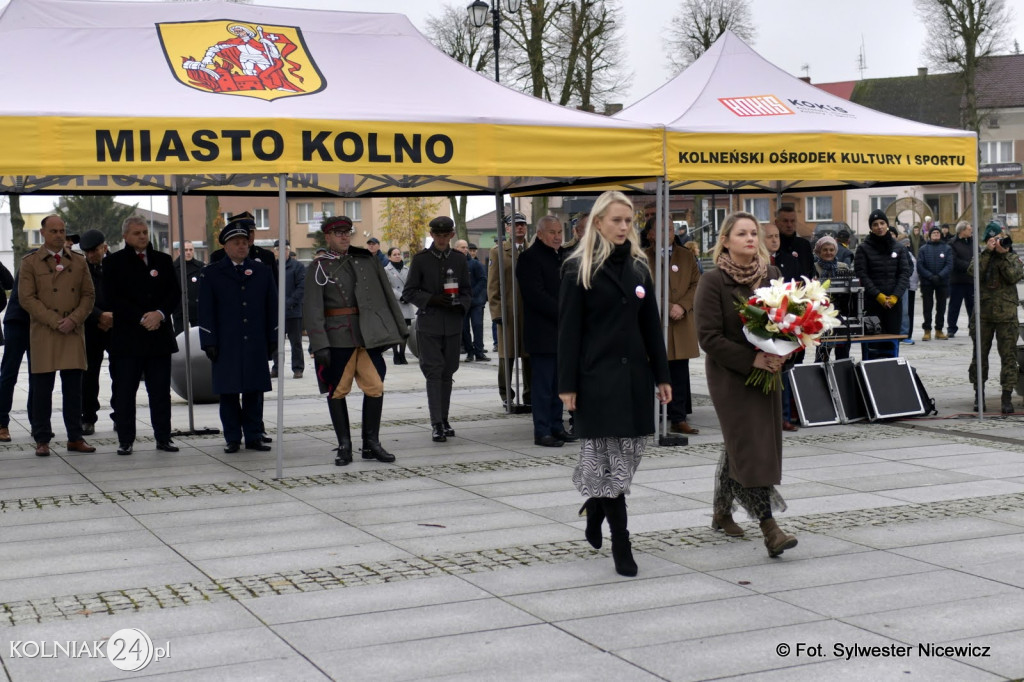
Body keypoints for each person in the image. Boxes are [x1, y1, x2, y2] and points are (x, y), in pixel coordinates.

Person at [558, 191, 671, 578]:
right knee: (610, 463)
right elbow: (568, 331)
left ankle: (595, 505)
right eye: (616, 220)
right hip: (597, 379)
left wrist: (663, 375)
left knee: (629, 456)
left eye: (628, 221)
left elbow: (651, 325)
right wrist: (567, 384)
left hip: (635, 378)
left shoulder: (639, 266)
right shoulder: (578, 267)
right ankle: (621, 543)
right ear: (598, 223)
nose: (624, 227)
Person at [695, 210, 798, 558]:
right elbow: (708, 337)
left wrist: (783, 353)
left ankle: (722, 511)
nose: (750, 238)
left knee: (743, 444)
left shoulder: (772, 275)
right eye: (741, 234)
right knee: (750, 447)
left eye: (753, 233)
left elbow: (788, 323)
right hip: (731, 377)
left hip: (768, 374)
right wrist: (751, 359)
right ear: (725, 240)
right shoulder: (712, 281)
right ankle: (770, 529)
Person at [304, 215, 407, 465]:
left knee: (375, 387)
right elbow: (312, 309)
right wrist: (320, 343)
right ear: (328, 237)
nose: (344, 237)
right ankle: (344, 446)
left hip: (366, 335)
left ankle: (371, 444)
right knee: (337, 391)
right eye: (338, 233)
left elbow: (384, 296)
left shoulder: (364, 260)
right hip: (337, 336)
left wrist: (394, 329)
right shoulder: (319, 266)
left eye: (347, 232)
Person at [103, 214, 181, 456]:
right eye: (137, 233)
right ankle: (126, 439)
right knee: (125, 392)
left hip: (158, 337)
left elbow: (174, 293)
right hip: (129, 338)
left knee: (160, 392)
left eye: (145, 232)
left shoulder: (163, 260)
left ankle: (163, 437)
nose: (142, 237)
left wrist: (159, 314)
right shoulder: (114, 262)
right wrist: (141, 317)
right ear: (125, 236)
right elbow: (112, 298)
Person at [18, 215, 96, 456]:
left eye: (62, 231)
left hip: (72, 331)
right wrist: (54, 320)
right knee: (42, 390)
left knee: (73, 390)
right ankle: (42, 439)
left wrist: (74, 319)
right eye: (54, 231)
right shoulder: (30, 262)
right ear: (42, 233)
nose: (59, 235)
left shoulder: (79, 261)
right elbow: (26, 298)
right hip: (45, 331)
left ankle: (75, 437)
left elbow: (88, 295)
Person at [200, 221, 277, 452]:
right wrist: (209, 341)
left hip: (255, 341)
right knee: (229, 392)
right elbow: (206, 311)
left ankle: (254, 435)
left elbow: (272, 306)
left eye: (244, 242)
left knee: (254, 391)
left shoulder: (262, 271)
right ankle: (232, 437)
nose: (242, 246)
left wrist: (273, 337)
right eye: (236, 243)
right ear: (226, 247)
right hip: (226, 343)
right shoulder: (212, 273)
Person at [404, 216, 472, 442]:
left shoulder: (459, 259)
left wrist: (460, 305)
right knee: (434, 372)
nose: (442, 240)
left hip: (452, 323)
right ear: (432, 235)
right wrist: (431, 299)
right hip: (430, 323)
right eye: (438, 235)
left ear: (451, 235)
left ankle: (444, 418)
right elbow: (409, 291)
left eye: (445, 235)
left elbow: (467, 291)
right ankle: (437, 423)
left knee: (448, 371)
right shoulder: (421, 260)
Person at [517, 216, 574, 447]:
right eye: (552, 232)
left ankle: (556, 426)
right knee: (543, 386)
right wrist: (565, 312)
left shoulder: (562, 256)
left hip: (562, 332)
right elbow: (535, 295)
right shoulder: (529, 258)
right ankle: (542, 431)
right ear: (540, 234)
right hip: (542, 333)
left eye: (560, 232)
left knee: (559, 384)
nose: (558, 236)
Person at [645, 209, 701, 435]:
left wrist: (683, 306)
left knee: (679, 372)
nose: (667, 233)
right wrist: (666, 306)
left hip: (681, 322)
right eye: (661, 229)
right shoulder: (643, 257)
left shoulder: (686, 255)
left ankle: (678, 417)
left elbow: (696, 284)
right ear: (650, 234)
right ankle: (649, 416)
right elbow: (642, 288)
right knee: (653, 370)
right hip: (655, 322)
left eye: (669, 229)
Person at [968, 222, 1024, 414]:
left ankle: (1006, 397)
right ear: (987, 241)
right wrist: (988, 252)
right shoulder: (981, 257)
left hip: (1006, 316)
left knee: (1009, 358)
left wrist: (1002, 255)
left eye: (1000, 238)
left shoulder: (1012, 258)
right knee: (979, 357)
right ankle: (979, 395)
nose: (999, 241)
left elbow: (1013, 276)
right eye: (994, 239)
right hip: (983, 315)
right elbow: (974, 273)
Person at [854, 209, 911, 358]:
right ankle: (871, 369)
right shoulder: (863, 248)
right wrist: (878, 295)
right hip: (872, 304)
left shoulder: (898, 248)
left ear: (887, 225)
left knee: (892, 343)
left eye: (882, 223)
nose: (879, 227)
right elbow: (861, 274)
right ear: (871, 228)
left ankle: (890, 368)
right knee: (872, 344)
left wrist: (895, 296)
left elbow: (904, 273)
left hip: (893, 304)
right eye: (875, 224)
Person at [488, 213, 531, 408]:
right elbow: (493, 285)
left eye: (522, 224)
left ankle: (530, 394)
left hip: (529, 312)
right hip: (509, 312)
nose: (519, 228)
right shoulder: (498, 252)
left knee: (530, 355)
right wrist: (496, 312)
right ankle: (506, 394)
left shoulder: (532, 249)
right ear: (507, 228)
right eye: (514, 225)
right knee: (507, 355)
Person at [762, 222, 801, 431]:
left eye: (776, 236)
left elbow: (797, 288)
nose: (775, 240)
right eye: (770, 236)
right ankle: (767, 416)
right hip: (763, 322)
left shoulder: (789, 260)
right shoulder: (756, 262)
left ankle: (784, 416)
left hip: (785, 321)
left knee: (784, 369)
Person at [79, 229, 112, 436]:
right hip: (92, 327)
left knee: (122, 374)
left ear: (104, 248)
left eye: (95, 251)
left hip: (116, 326)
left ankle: (121, 415)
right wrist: (99, 316)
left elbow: (126, 294)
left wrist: (112, 316)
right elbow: (78, 298)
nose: (91, 255)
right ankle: (88, 417)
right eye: (87, 252)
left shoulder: (116, 265)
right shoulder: (80, 269)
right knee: (89, 375)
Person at [811, 236, 853, 360]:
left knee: (843, 353)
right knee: (822, 353)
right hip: (822, 314)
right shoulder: (813, 267)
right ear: (818, 252)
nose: (828, 252)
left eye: (831, 250)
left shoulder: (843, 267)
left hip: (841, 312)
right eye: (825, 250)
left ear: (835, 251)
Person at [271, 239, 306, 379]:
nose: (282, 252)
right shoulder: (271, 267)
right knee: (276, 342)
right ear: (275, 252)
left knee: (295, 342)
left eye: (285, 249)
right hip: (276, 312)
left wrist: (288, 302)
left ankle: (298, 368)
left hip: (293, 311)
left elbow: (301, 287)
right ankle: (277, 368)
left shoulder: (297, 267)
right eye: (279, 249)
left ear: (288, 250)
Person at [917, 226, 952, 341]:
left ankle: (939, 330)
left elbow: (949, 265)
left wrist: (940, 276)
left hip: (942, 282)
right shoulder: (923, 249)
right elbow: (920, 265)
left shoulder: (947, 248)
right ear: (930, 235)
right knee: (927, 307)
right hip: (927, 282)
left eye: (938, 232)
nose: (936, 234)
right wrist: (930, 276)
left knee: (941, 307)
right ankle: (927, 330)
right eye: (934, 233)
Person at [455, 239, 488, 362]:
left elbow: (483, 280)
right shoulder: (453, 264)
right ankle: (470, 352)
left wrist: (472, 293)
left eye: (466, 247)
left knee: (477, 326)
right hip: (462, 303)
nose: (465, 249)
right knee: (464, 329)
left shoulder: (475, 264)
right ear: (456, 249)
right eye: (462, 247)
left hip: (476, 302)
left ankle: (479, 352)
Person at [383, 247, 414, 365]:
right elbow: (388, 286)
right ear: (389, 257)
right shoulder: (386, 270)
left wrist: (408, 296)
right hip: (395, 302)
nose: (397, 256)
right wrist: (400, 296)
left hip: (406, 302)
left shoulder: (407, 269)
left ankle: (402, 354)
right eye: (394, 254)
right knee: (396, 330)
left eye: (398, 254)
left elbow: (411, 284)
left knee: (405, 330)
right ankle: (396, 354)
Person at [947, 221, 975, 339]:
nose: (971, 230)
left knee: (972, 306)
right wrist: (970, 266)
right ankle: (951, 328)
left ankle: (973, 327)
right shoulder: (952, 243)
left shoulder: (973, 242)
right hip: (957, 280)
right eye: (969, 229)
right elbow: (954, 261)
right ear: (962, 231)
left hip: (971, 280)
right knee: (954, 306)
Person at [172, 240, 204, 335]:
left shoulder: (200, 267)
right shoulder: (173, 267)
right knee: (180, 337)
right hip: (179, 309)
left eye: (190, 250)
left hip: (196, 309)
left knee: (198, 337)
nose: (188, 252)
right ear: (179, 252)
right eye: (185, 250)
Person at [775, 205, 814, 279]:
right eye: (785, 221)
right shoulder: (774, 246)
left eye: (792, 221)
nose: (789, 225)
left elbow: (811, 271)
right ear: (777, 223)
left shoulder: (804, 245)